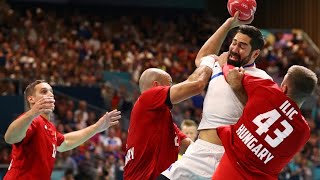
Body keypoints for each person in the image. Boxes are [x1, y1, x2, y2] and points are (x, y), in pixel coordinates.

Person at [161, 12, 273, 179]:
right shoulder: (220, 64)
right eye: (234, 43)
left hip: (229, 158)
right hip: (199, 151)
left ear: (255, 54)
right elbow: (201, 58)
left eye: (242, 46)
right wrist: (229, 24)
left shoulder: (261, 78)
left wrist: (237, 86)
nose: (234, 49)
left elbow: (261, 116)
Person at [212, 65, 317, 179]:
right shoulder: (304, 133)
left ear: (284, 88)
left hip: (230, 166)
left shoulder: (267, 89)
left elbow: (232, 72)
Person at [4, 80, 121, 180]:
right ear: (31, 99)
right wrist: (32, 113)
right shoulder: (33, 121)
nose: (50, 94)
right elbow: (10, 138)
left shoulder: (49, 127)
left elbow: (65, 142)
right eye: (44, 91)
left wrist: (96, 128)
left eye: (51, 92)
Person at [123, 55, 215, 180]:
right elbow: (196, 85)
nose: (174, 87)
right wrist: (208, 63)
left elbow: (187, 146)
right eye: (170, 84)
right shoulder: (146, 98)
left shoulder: (163, 122)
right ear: (156, 86)